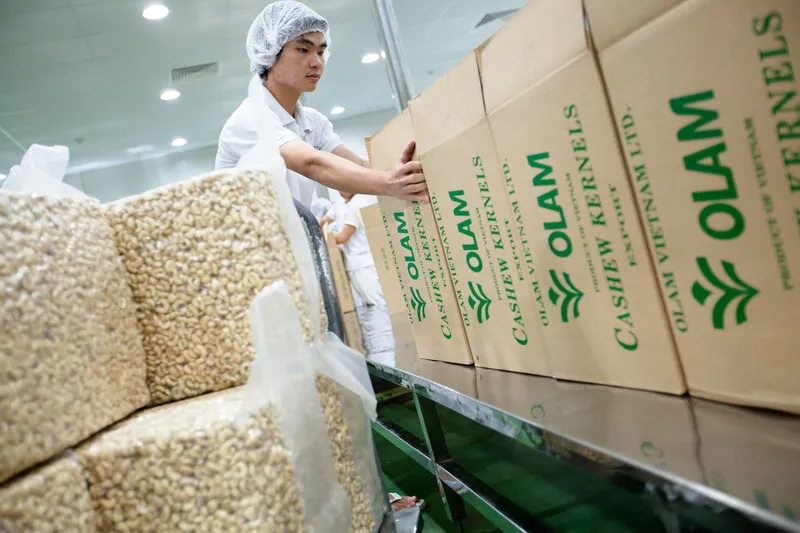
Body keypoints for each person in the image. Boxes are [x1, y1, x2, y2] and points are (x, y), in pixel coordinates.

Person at [215, 0, 427, 208]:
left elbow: (360, 166)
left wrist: (403, 170)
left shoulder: (313, 122)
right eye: (303, 50)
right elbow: (312, 163)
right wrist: (389, 183)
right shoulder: (250, 118)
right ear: (269, 54)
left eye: (321, 52)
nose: (317, 62)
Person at [321, 193, 384, 308]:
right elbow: (323, 221)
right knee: (369, 304)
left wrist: (324, 237)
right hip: (352, 265)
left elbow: (342, 237)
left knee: (378, 304)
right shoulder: (340, 203)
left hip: (365, 265)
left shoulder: (358, 203)